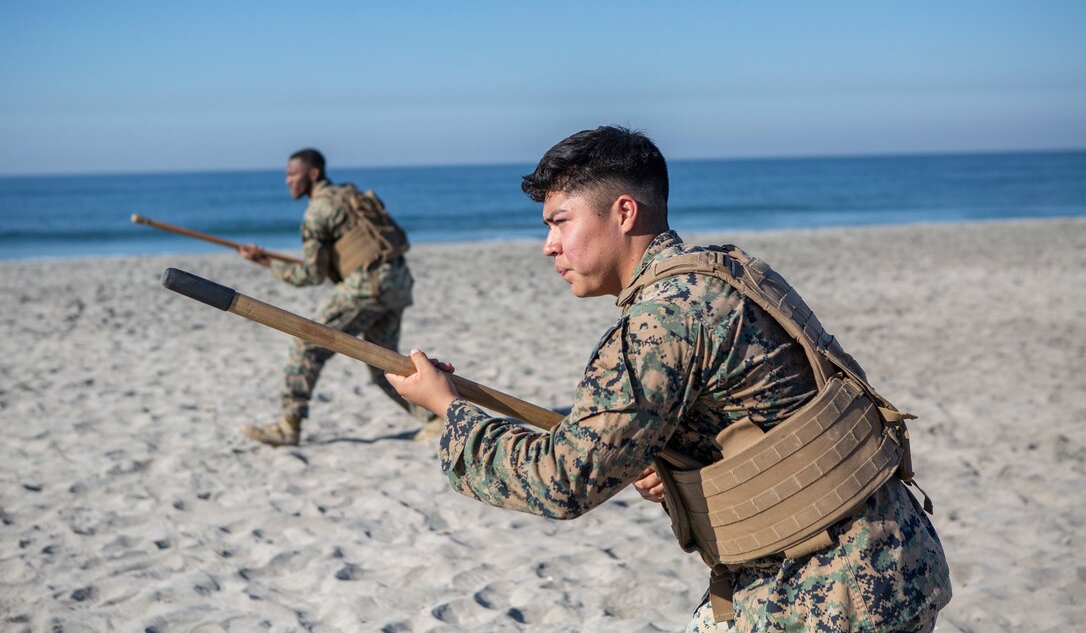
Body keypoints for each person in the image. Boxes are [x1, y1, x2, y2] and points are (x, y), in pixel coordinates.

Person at [385, 126, 952, 631]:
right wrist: (680, 463)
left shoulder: (662, 321)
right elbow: (776, 414)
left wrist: (451, 413)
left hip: (825, 596)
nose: (548, 245)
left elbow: (564, 480)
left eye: (561, 222)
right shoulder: (729, 271)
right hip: (893, 558)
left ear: (624, 213)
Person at [239, 147, 435, 446]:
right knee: (385, 364)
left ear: (313, 174)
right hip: (396, 281)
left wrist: (267, 264)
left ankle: (288, 427)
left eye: (293, 174)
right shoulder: (348, 194)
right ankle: (435, 419)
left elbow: (312, 275)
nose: (287, 181)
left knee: (306, 344)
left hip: (368, 285)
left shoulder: (318, 210)